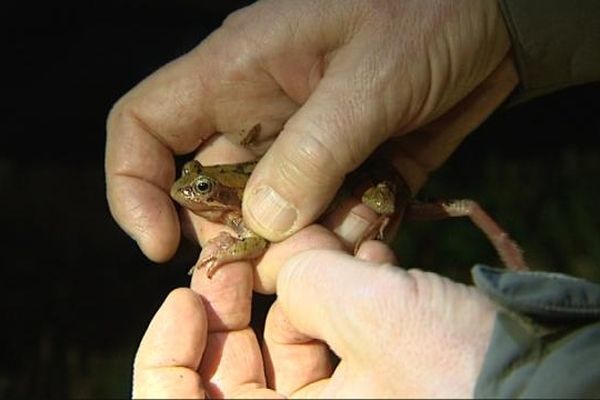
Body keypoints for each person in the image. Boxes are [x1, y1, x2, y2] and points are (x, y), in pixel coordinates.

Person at [105, 0, 600, 397]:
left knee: (383, 205)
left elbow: (254, 239)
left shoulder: (241, 207)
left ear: (219, 196)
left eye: (202, 188)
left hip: (360, 178)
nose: (190, 193)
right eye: (195, 182)